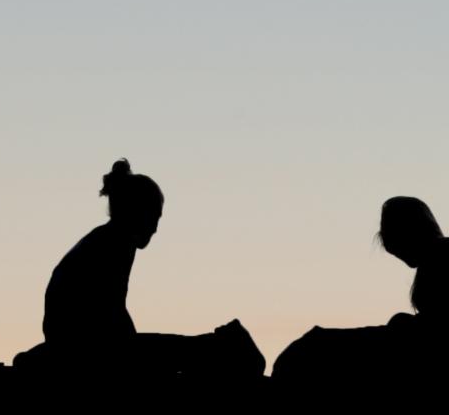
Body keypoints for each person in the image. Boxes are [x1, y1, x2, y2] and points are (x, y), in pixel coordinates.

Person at [15, 159, 264, 381]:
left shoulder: (106, 239)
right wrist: (139, 356)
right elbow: (111, 314)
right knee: (186, 351)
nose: (155, 228)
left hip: (79, 345)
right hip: (88, 350)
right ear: (137, 213)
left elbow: (112, 313)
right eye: (154, 216)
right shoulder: (114, 244)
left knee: (174, 350)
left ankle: (220, 345)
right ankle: (224, 346)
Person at [270, 197, 449, 393]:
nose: (400, 257)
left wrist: (400, 326)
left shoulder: (445, 257)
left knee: (322, 348)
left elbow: (443, 335)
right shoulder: (447, 256)